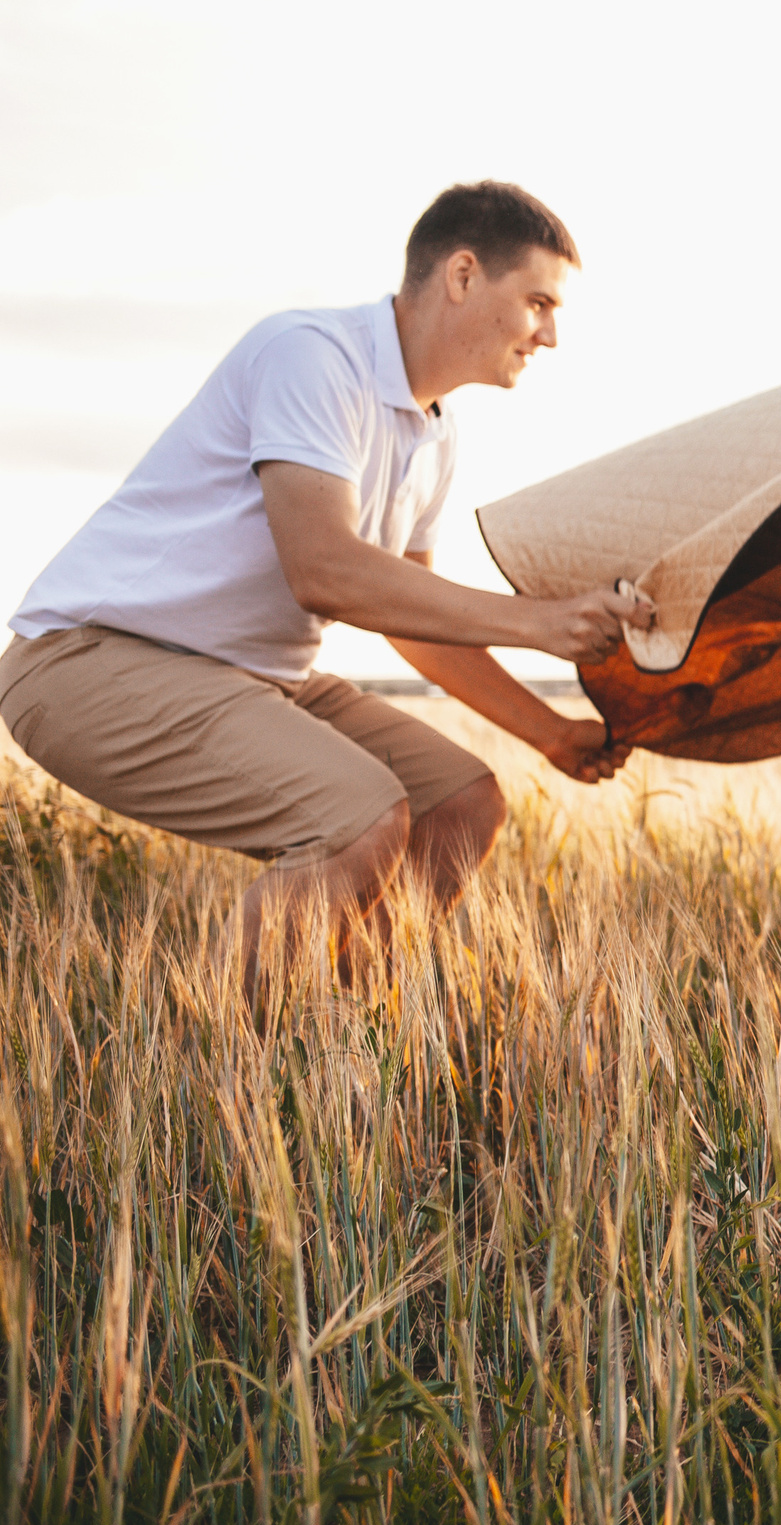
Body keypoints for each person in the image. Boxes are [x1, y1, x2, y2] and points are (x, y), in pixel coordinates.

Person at [0, 182, 652, 989]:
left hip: (248, 678)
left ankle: (336, 1043)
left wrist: (549, 732)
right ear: (462, 275)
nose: (550, 334)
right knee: (357, 816)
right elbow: (324, 570)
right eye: (538, 302)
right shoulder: (312, 356)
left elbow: (408, 617)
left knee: (461, 803)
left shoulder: (433, 433)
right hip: (87, 662)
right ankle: (226, 1072)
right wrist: (542, 622)